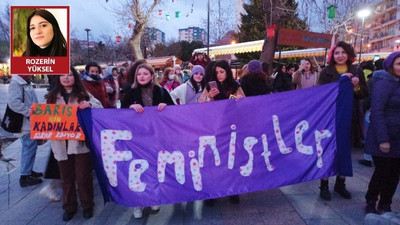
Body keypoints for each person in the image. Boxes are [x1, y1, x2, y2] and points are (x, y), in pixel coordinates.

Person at [45, 66, 103, 221]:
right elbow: (43, 117)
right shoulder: (51, 96)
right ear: (59, 78)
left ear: (75, 77)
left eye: (70, 75)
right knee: (66, 178)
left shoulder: (83, 93)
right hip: (60, 144)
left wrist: (89, 105)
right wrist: (34, 113)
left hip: (80, 144)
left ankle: (87, 205)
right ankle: (69, 207)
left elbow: (99, 106)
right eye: (63, 75)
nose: (66, 78)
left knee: (83, 177)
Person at [121, 63, 174, 219]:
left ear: (152, 75)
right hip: (136, 139)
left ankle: (152, 197)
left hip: (156, 137)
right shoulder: (130, 93)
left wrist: (167, 106)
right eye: (139, 74)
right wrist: (129, 107)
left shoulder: (161, 91)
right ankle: (138, 203)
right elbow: (120, 115)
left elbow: (175, 111)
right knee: (136, 169)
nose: (142, 76)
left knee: (153, 168)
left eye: (145, 73)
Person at [317, 41, 368, 201]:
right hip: (329, 117)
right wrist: (340, 82)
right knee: (327, 151)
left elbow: (364, 94)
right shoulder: (326, 72)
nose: (340, 56)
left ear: (348, 54)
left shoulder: (356, 70)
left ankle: (341, 184)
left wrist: (356, 86)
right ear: (333, 55)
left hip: (349, 118)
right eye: (337, 53)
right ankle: (324, 185)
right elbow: (321, 94)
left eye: (343, 52)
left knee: (345, 151)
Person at [364, 51, 400, 214]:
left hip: (398, 139)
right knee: (382, 172)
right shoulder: (383, 82)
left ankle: (385, 203)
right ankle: (371, 200)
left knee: (394, 174)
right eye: (399, 64)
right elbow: (376, 112)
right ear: (391, 65)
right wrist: (383, 139)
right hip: (382, 136)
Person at [8, 75, 43, 187]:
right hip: (25, 122)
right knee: (29, 147)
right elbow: (13, 102)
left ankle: (28, 170)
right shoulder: (16, 83)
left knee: (31, 147)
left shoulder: (25, 82)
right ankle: (25, 176)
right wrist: (28, 112)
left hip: (31, 121)